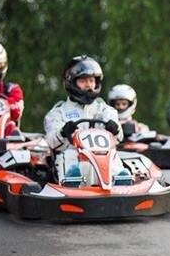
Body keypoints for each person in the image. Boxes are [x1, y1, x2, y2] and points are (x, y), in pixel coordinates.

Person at [44, 55, 124, 184]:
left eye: (92, 81)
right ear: (71, 82)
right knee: (68, 155)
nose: (89, 85)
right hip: (74, 156)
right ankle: (71, 183)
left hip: (101, 157)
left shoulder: (105, 110)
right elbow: (51, 142)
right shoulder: (58, 112)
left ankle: (120, 181)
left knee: (113, 154)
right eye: (83, 81)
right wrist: (63, 132)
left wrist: (116, 129)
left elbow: (119, 138)